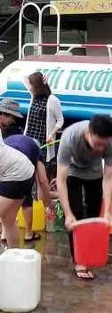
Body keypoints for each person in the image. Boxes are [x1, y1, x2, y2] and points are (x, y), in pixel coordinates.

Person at [57, 115, 112, 280]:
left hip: (94, 173)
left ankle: (88, 255)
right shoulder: (70, 137)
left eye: (103, 145)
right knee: (75, 216)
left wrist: (107, 211)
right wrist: (68, 213)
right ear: (89, 133)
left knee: (93, 216)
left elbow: (108, 177)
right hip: (72, 171)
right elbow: (61, 180)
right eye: (97, 143)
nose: (100, 149)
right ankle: (79, 261)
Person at [23, 72, 63, 241]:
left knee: (42, 179)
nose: (29, 88)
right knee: (30, 177)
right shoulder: (33, 97)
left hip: (43, 143)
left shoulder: (52, 100)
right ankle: (47, 204)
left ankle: (50, 204)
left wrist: (52, 133)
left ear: (38, 86)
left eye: (32, 85)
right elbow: (24, 80)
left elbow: (60, 120)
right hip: (29, 140)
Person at [3, 135, 51, 243]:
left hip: (4, 165)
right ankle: (29, 233)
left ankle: (4, 234)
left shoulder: (10, 140)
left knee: (6, 203)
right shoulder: (36, 150)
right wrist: (49, 203)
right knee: (26, 198)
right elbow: (43, 180)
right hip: (19, 168)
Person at [0, 135, 35, 248]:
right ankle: (14, 257)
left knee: (8, 219)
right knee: (8, 219)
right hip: (22, 168)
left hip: (15, 174)